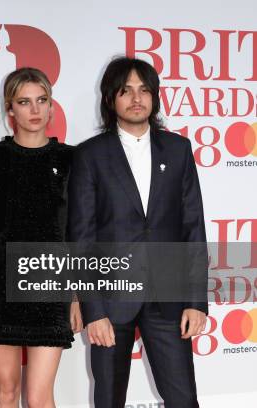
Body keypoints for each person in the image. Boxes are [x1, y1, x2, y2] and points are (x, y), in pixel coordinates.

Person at [68, 56, 208, 407]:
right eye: (126, 90)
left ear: (155, 97)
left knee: (183, 399)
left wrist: (196, 301)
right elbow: (82, 238)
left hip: (168, 300)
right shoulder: (90, 155)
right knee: (109, 400)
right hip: (111, 302)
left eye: (144, 90)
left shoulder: (178, 150)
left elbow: (193, 226)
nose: (136, 98)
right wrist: (93, 310)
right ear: (110, 98)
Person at [0, 67, 83, 408]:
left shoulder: (71, 159)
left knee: (39, 396)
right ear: (10, 109)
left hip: (51, 286)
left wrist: (76, 296)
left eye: (42, 100)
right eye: (25, 102)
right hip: (0, 285)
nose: (35, 110)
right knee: (5, 392)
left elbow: (75, 234)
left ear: (51, 106)